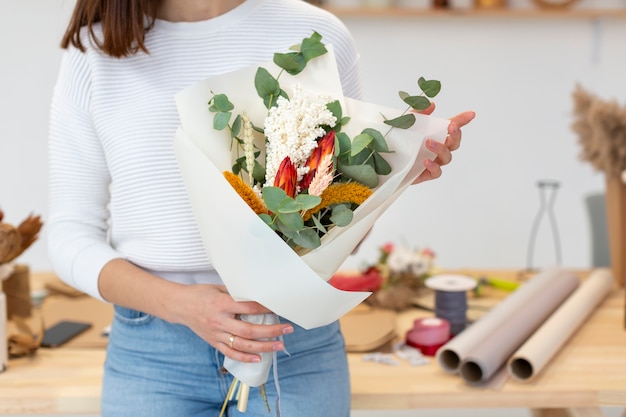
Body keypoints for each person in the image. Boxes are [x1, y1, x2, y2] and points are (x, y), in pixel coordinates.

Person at [47, 0, 475, 416]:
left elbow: (338, 230)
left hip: (295, 343)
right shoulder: (94, 53)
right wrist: (181, 305)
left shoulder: (318, 35)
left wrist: (390, 175)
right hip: (155, 355)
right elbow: (69, 236)